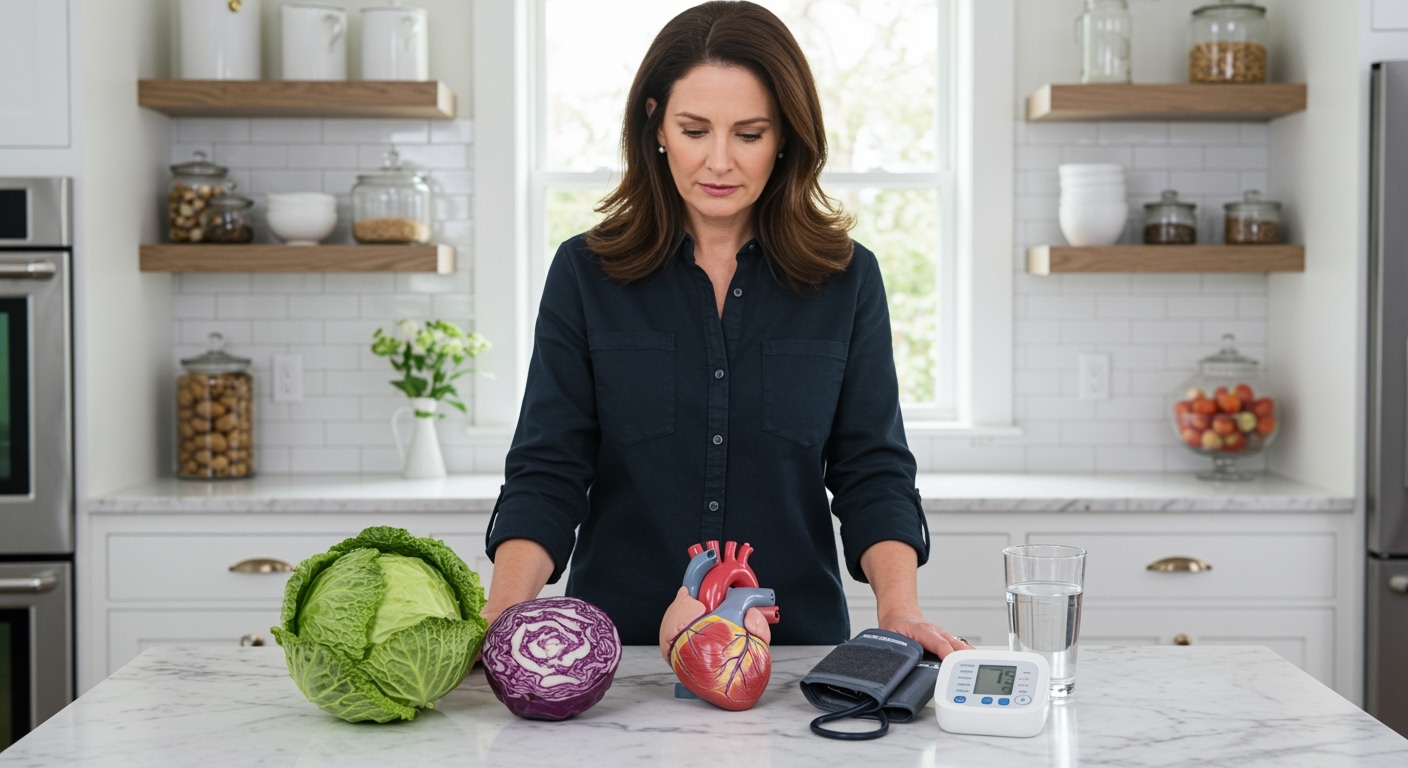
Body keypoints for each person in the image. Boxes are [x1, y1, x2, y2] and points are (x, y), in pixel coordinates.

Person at [483, 0, 973, 659]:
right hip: (616, 661)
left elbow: (872, 470)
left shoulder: (847, 278)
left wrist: (900, 611)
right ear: (655, 124)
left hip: (794, 659)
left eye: (748, 134)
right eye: (694, 130)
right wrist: (505, 613)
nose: (719, 161)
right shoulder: (584, 272)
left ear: (786, 138)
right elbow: (549, 468)